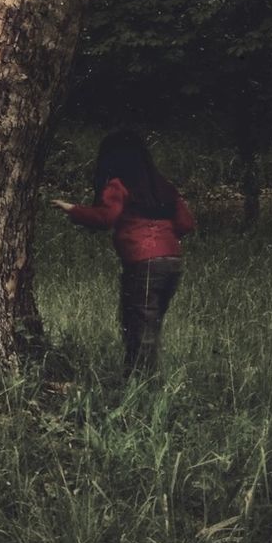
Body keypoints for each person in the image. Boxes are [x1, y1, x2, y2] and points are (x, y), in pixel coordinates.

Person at [52, 130, 196, 375]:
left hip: (143, 262)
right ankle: (142, 379)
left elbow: (105, 217)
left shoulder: (118, 185)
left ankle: (141, 385)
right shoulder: (163, 186)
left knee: (139, 326)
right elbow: (186, 223)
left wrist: (72, 209)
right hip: (172, 261)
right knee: (150, 322)